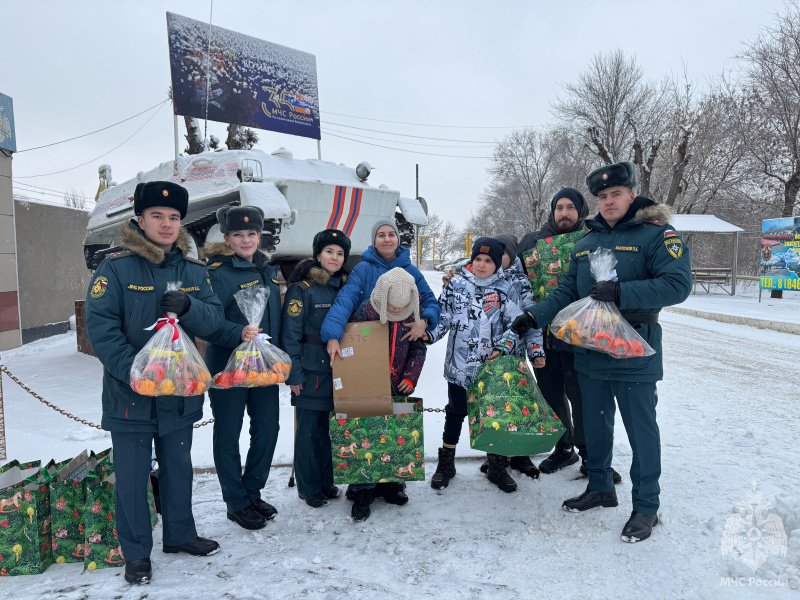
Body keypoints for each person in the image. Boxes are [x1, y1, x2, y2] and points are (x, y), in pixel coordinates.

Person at [511, 162, 691, 542]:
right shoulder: (586, 243)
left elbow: (677, 285)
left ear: (631, 195)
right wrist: (533, 315)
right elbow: (565, 293)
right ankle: (600, 488)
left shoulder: (656, 235)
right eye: (602, 197)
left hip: (635, 348)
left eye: (616, 195)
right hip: (590, 348)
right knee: (595, 425)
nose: (608, 202)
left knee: (642, 432)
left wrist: (623, 292)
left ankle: (646, 507)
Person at [85, 181, 224, 584]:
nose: (166, 224)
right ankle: (136, 552)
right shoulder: (114, 268)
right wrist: (139, 371)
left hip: (178, 395)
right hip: (130, 394)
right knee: (130, 477)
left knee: (178, 467)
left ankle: (180, 534)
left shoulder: (193, 271)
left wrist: (190, 305)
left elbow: (214, 320)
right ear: (140, 220)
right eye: (157, 216)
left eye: (174, 217)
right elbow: (101, 328)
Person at [517, 189, 621, 483]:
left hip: (581, 334)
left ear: (581, 210)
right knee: (551, 396)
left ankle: (591, 456)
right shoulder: (532, 242)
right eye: (559, 207)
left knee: (583, 396)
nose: (564, 213)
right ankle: (564, 448)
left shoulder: (592, 239)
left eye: (570, 208)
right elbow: (505, 265)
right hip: (544, 334)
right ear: (552, 211)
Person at [427, 238, 540, 493]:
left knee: (495, 415)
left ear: (497, 263)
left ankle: (496, 466)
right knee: (455, 412)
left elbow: (516, 325)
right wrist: (427, 335)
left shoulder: (506, 289)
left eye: (488, 260)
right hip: (458, 366)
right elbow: (443, 317)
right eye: (478, 258)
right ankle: (446, 463)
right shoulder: (455, 284)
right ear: (471, 259)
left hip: (492, 368)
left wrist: (502, 348)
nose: (481, 264)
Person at [200, 206, 282, 531]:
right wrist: (237, 333)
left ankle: (251, 491)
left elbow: (275, 317)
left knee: (267, 428)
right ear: (227, 238)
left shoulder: (269, 270)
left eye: (251, 234)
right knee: (228, 433)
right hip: (227, 366)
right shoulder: (217, 273)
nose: (245, 239)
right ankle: (235, 502)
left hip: (263, 364)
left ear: (259, 236)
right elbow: (208, 321)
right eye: (238, 234)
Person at [344, 268, 428, 521]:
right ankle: (362, 488)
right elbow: (351, 344)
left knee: (394, 432)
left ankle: (391, 481)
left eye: (399, 307)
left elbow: (418, 348)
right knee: (365, 432)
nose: (394, 310)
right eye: (391, 305)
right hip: (367, 385)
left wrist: (410, 376)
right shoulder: (364, 312)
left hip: (397, 384)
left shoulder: (411, 315)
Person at [280, 229, 351, 509]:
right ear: (318, 255)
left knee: (327, 429)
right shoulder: (302, 289)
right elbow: (290, 335)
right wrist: (293, 373)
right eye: (329, 251)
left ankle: (325, 480)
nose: (334, 257)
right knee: (309, 431)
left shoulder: (343, 286)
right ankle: (308, 487)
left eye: (340, 253)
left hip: (337, 371)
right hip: (309, 371)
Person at [321, 219, 440, 362]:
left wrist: (424, 322)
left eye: (391, 234)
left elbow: (431, 302)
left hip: (400, 354)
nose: (387, 239)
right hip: (368, 348)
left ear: (397, 239)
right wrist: (333, 335)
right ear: (374, 241)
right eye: (381, 235)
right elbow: (345, 301)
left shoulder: (412, 272)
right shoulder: (363, 270)